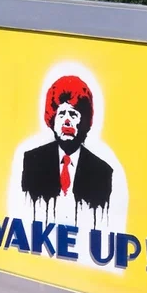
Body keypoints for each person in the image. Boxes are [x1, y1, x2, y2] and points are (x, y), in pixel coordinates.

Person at [20, 75, 114, 220]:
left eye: (73, 114)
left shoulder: (102, 172)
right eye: (62, 114)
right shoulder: (32, 162)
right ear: (52, 119)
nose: (67, 121)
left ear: (84, 120)